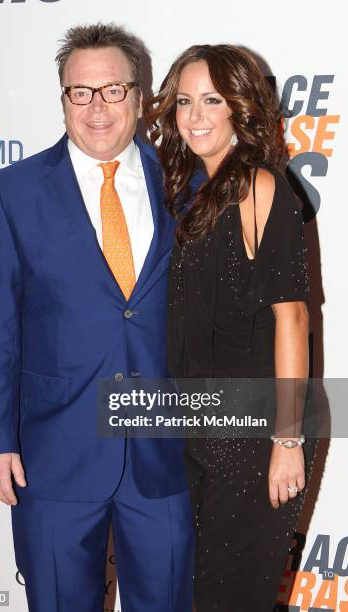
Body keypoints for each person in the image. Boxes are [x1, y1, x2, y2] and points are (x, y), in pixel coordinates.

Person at [0, 23, 195, 612]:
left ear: (140, 98)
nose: (98, 108)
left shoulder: (187, 184)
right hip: (53, 453)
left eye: (113, 91)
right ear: (63, 99)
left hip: (165, 453)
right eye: (80, 92)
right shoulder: (14, 192)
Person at [146, 44, 316, 611]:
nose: (195, 116)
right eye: (185, 101)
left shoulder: (261, 188)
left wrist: (287, 440)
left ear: (239, 107)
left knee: (229, 597)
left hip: (254, 430)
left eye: (212, 100)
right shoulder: (190, 190)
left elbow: (292, 317)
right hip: (198, 425)